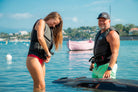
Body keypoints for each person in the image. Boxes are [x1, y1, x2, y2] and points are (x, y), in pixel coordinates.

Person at [26, 12, 63, 91]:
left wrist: (47, 55)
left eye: (55, 25)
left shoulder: (49, 29)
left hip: (41, 59)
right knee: (39, 84)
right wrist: (47, 52)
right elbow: (40, 37)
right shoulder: (41, 22)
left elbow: (47, 45)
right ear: (51, 17)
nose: (53, 25)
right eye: (54, 23)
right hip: (33, 57)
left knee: (42, 86)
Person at [89, 12, 120, 79]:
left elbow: (115, 53)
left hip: (106, 66)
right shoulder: (99, 33)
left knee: (107, 89)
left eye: (104, 20)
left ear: (109, 21)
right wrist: (93, 62)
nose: (101, 22)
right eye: (100, 20)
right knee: (95, 89)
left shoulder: (112, 34)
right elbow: (99, 49)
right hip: (97, 67)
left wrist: (109, 69)